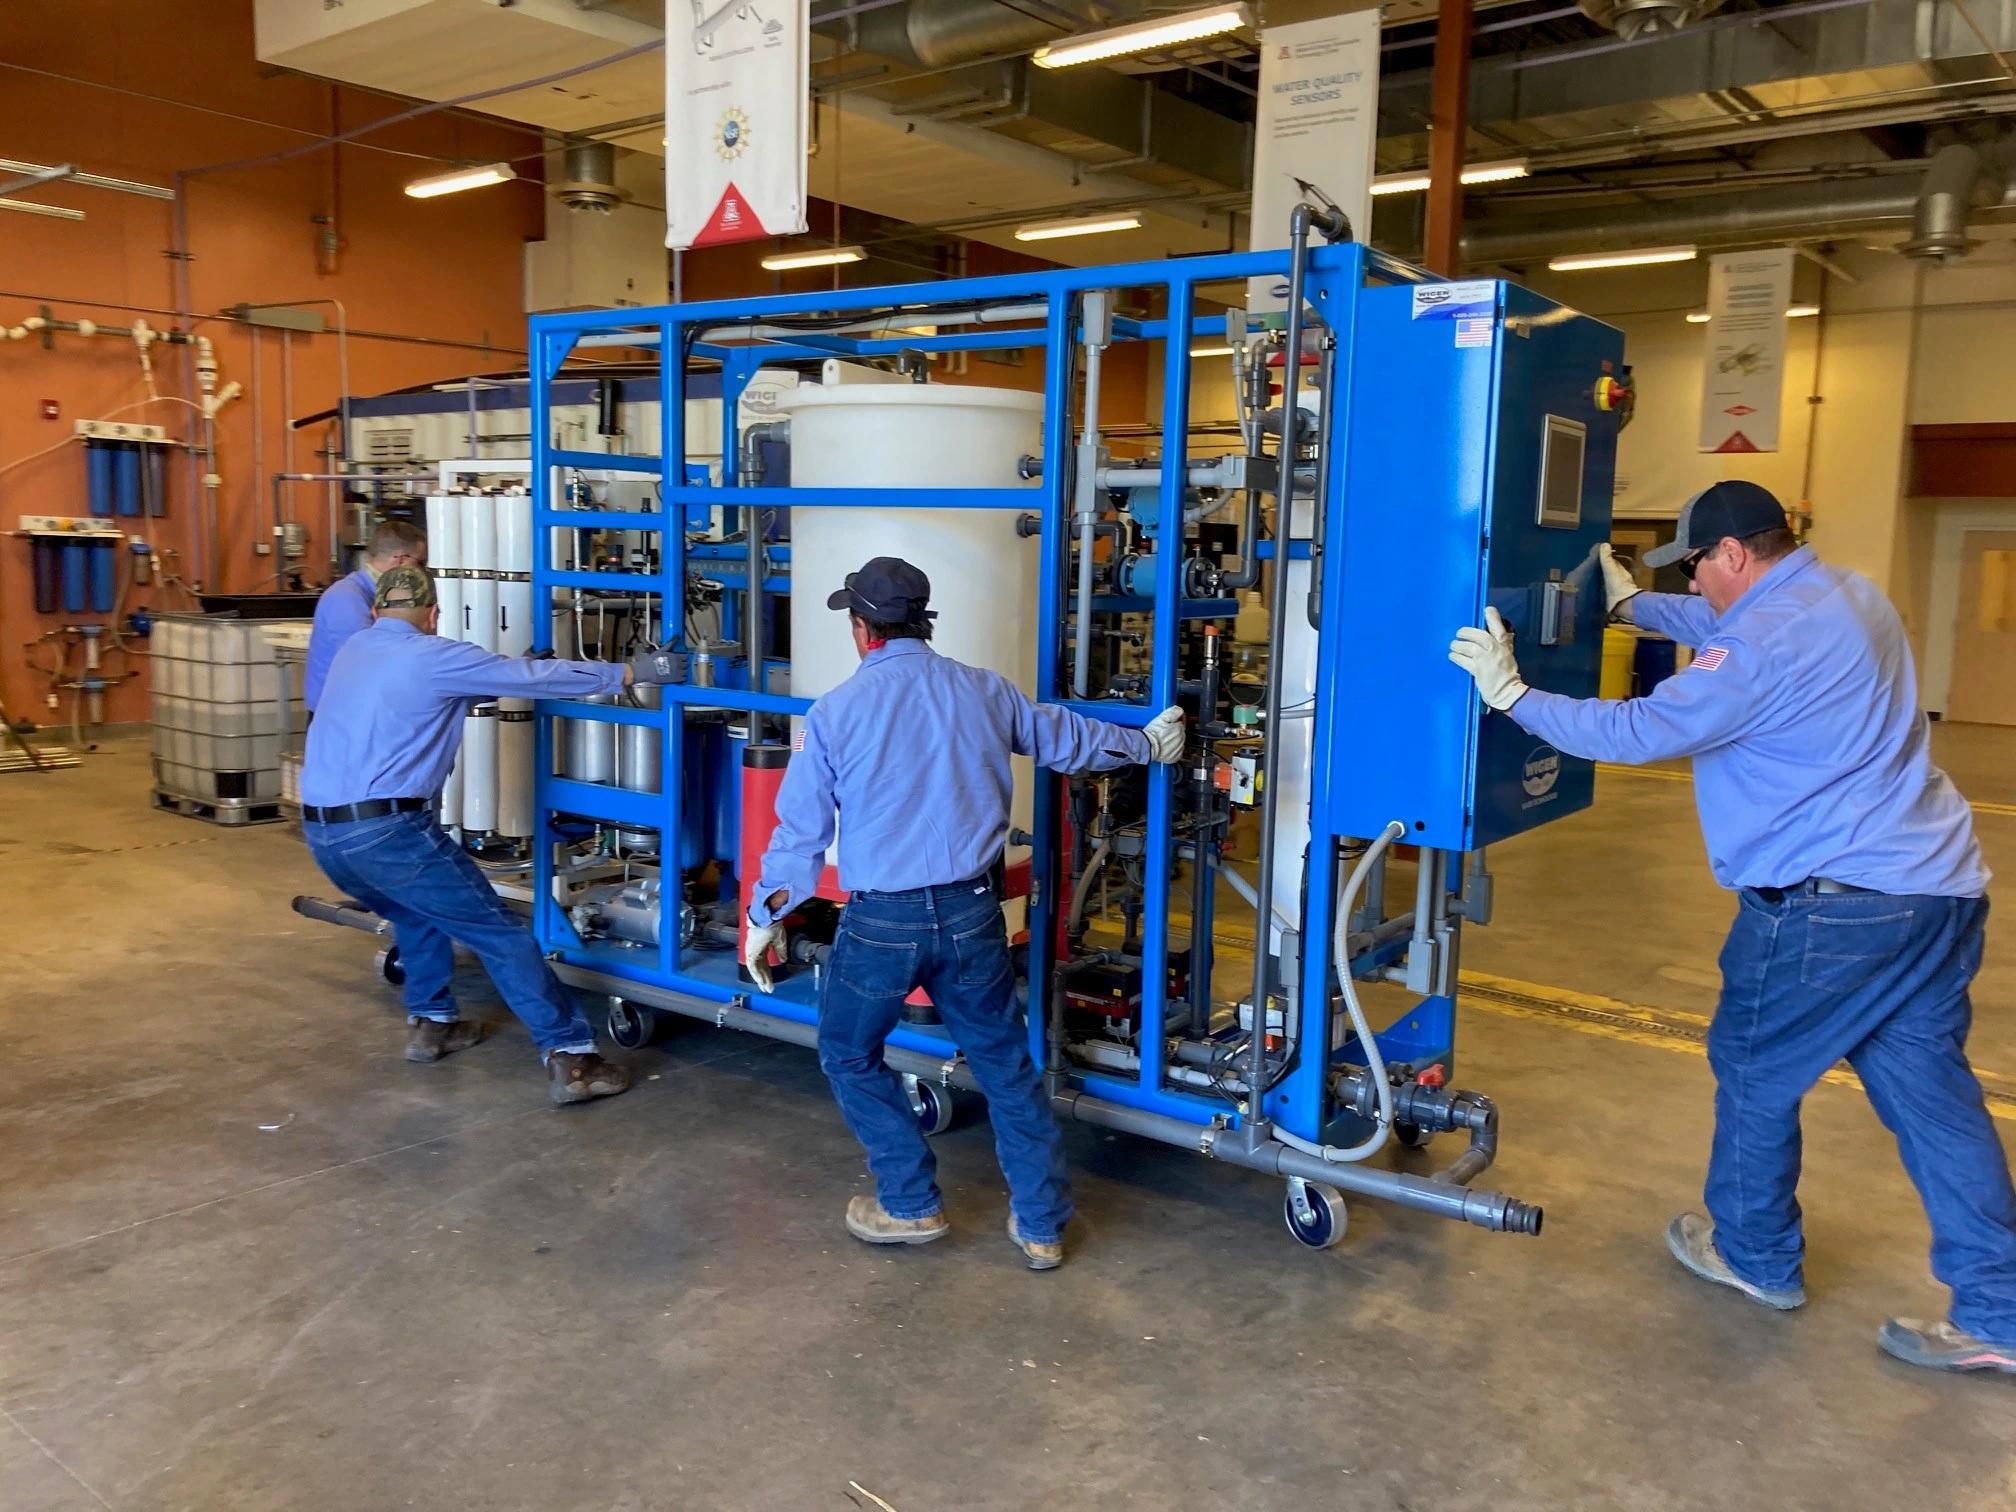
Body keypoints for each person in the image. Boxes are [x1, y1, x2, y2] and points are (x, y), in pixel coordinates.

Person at [1447, 479, 2012, 1377]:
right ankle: (2001, 1312)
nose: (1699, 583)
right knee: (1937, 1105)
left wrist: (1509, 693)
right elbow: (1724, 628)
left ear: (1733, 555)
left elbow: (1640, 729)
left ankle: (1753, 1257)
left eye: (1699, 565)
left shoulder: (1761, 642)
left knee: (1754, 1068)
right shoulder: (1847, 595)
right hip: (1936, 892)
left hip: (1836, 908)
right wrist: (1633, 604)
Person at [744, 556, 1186, 1269]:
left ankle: (911, 1204)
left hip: (883, 922)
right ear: (923, 623)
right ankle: (1042, 1227)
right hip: (975, 911)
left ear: (861, 632)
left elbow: (801, 835)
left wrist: (766, 913)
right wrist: (1146, 744)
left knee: (848, 1053)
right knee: (1007, 1068)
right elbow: (1068, 739)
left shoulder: (835, 713)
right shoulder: (985, 691)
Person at [301, 564, 687, 1105]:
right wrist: (630, 673)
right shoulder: (436, 656)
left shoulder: (355, 651)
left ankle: (432, 1024)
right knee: (501, 936)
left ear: (374, 612)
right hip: (386, 831)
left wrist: (506, 670)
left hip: (322, 832)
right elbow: (529, 683)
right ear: (434, 614)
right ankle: (572, 1059)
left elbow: (441, 692)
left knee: (416, 913)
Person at [304, 520, 427, 713]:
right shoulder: (347, 597)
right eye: (420, 563)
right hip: (339, 714)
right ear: (401, 559)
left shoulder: (376, 592)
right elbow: (366, 660)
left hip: (355, 709)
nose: (422, 571)